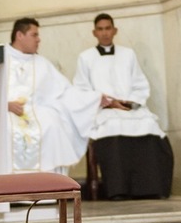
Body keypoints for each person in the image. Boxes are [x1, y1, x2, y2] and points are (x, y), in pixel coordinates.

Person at [0, 17, 111, 174]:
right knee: (7, 130)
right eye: (34, 35)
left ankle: (49, 189)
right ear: (20, 35)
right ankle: (8, 190)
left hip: (38, 112)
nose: (39, 39)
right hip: (4, 112)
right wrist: (4, 104)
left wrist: (95, 98)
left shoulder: (42, 63)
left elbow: (65, 92)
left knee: (53, 126)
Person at [73, 13, 173, 199]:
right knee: (112, 127)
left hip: (129, 107)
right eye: (100, 29)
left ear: (115, 30)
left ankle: (150, 188)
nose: (105, 33)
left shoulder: (128, 54)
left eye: (108, 28)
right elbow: (81, 89)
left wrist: (129, 102)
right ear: (94, 32)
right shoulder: (85, 58)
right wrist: (108, 102)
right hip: (104, 110)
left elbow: (140, 84)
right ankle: (118, 190)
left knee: (150, 128)